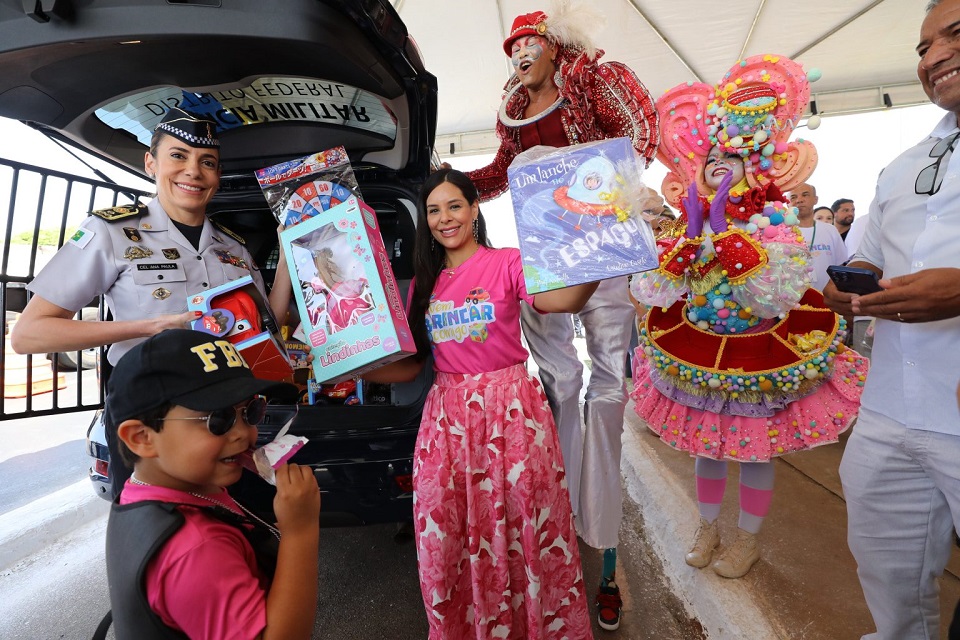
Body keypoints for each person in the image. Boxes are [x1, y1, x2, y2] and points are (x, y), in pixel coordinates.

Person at [631, 53, 868, 579]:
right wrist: (693, 235)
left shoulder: (774, 223)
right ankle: (709, 527)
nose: (718, 161)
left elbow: (774, 297)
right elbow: (651, 290)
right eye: (712, 154)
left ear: (754, 166)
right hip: (697, 345)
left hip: (759, 348)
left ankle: (747, 539)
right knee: (706, 448)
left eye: (731, 157)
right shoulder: (688, 224)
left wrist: (728, 235)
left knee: (755, 453)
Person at [464, 5, 660, 628]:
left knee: (607, 390)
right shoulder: (515, 113)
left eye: (527, 43)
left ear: (552, 46)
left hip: (600, 250)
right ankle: (560, 514)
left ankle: (603, 553)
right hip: (542, 261)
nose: (518, 53)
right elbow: (496, 175)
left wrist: (608, 185)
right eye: (511, 46)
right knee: (559, 385)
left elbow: (639, 139)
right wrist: (441, 184)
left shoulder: (595, 82)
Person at [11, 107, 293, 497]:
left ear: (217, 175)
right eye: (178, 155)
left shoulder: (233, 248)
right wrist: (150, 327)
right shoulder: (112, 231)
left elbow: (266, 325)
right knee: (161, 535)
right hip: (152, 418)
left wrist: (289, 253)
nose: (193, 171)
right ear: (151, 163)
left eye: (207, 162)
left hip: (225, 416)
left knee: (233, 533)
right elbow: (29, 335)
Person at [364, 168, 598, 640]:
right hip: (447, 424)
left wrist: (603, 250)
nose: (444, 218)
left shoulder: (508, 262)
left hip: (510, 414)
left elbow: (565, 299)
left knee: (521, 531)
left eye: (454, 206)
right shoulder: (424, 286)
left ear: (474, 209)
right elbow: (409, 367)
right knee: (448, 537)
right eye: (433, 209)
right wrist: (346, 366)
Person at [823, 1, 960, 636]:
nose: (932, 57)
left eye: (953, 35)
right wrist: (845, 292)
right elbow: (865, 263)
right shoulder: (903, 166)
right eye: (923, 47)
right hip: (887, 413)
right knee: (889, 582)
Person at [102, 328, 320, 640]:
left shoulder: (145, 492)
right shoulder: (196, 550)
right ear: (143, 438)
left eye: (250, 411)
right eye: (218, 419)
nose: (244, 434)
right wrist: (301, 532)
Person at [788, 182, 848, 291]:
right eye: (793, 197)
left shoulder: (830, 230)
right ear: (788, 203)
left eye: (805, 195)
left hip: (827, 299)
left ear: (815, 199)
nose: (799, 200)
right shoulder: (783, 231)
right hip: (792, 297)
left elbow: (841, 265)